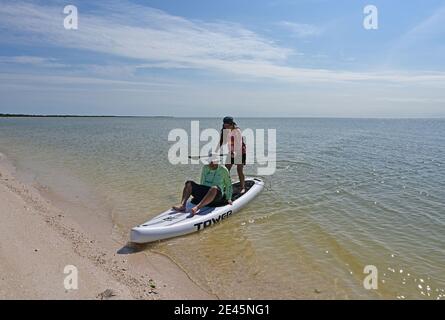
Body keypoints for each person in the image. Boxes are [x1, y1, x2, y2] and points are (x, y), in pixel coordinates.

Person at [219, 116, 246, 193]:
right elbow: (222, 141)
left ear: (232, 124)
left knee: (239, 170)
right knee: (225, 170)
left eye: (228, 125)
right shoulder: (224, 130)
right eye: (225, 125)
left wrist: (236, 152)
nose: (226, 127)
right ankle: (226, 185)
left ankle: (242, 187)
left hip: (240, 152)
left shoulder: (237, 130)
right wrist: (215, 151)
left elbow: (239, 143)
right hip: (231, 152)